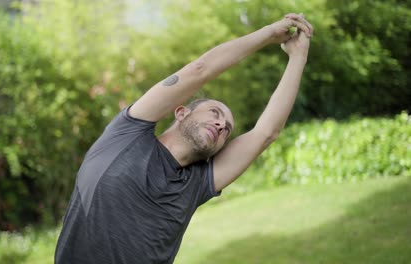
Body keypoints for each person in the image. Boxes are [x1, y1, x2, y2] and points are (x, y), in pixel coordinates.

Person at [55, 13, 313, 264]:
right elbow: (199, 70)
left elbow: (266, 133)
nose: (221, 124)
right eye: (215, 112)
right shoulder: (127, 134)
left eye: (227, 129)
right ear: (181, 112)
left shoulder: (196, 183)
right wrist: (269, 33)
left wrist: (298, 55)